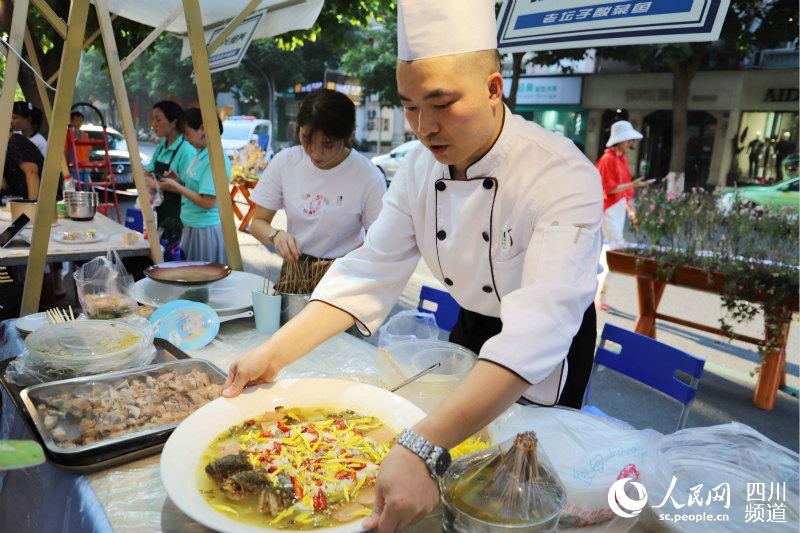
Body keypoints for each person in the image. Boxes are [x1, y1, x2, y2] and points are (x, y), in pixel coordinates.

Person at [222, 1, 602, 531]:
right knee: (458, 459)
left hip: (546, 345)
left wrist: (420, 445)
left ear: (495, 88)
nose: (424, 127)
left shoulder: (562, 176)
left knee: (514, 480)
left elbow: (534, 332)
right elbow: (369, 270)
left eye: (442, 103)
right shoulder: (421, 168)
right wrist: (271, 353)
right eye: (409, 106)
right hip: (472, 321)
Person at [248, 88, 386, 272]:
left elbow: (378, 246)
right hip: (295, 270)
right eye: (307, 139)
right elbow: (257, 222)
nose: (315, 152)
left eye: (327, 144)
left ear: (348, 135)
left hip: (346, 272)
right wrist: (276, 236)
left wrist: (342, 264)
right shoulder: (285, 162)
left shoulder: (369, 177)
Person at [157, 107, 230, 264]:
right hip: (191, 225)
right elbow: (196, 188)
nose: (186, 138)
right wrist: (178, 180)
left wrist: (177, 187)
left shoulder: (215, 159)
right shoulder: (200, 154)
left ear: (203, 129)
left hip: (204, 230)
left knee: (202, 279)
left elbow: (208, 202)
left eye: (188, 133)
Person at [595, 120, 651, 310]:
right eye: (628, 140)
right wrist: (633, 186)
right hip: (608, 208)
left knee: (606, 251)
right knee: (614, 250)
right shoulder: (607, 159)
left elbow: (625, 189)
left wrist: (631, 210)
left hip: (617, 208)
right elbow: (608, 189)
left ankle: (599, 292)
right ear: (619, 141)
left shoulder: (620, 159)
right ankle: (600, 293)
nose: (631, 144)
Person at [142, 101, 197, 251]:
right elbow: (148, 170)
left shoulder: (186, 150)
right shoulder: (161, 146)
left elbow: (190, 190)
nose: (153, 124)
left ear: (173, 122)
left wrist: (159, 184)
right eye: (152, 119)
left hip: (178, 218)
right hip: (160, 214)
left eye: (158, 119)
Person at [2, 132, 43, 200]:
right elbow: (3, 185)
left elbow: (31, 172)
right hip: (18, 202)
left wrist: (31, 205)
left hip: (39, 200)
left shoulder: (13, 142)